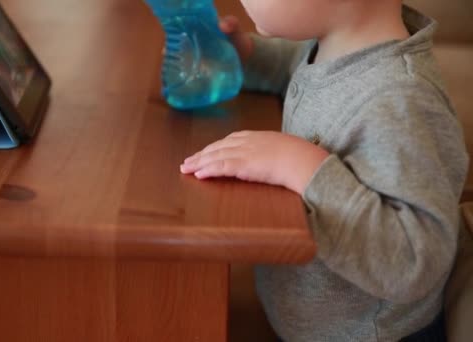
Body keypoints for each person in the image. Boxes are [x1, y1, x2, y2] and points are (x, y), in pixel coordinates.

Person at [179, 0, 470, 340]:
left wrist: (301, 166)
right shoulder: (336, 45)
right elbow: (295, 66)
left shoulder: (398, 102)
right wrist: (246, 55)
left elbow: (414, 261)